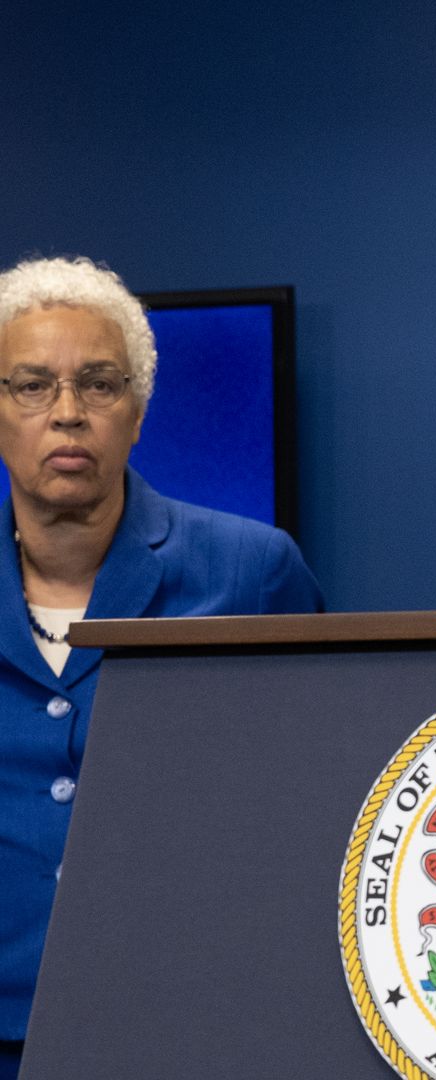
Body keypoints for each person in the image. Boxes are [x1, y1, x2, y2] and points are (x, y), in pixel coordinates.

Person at [0, 256, 323, 1076]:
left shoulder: (252, 570)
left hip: (190, 1027)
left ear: (138, 411)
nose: (67, 414)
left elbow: (318, 803)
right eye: (31, 386)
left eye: (99, 385)